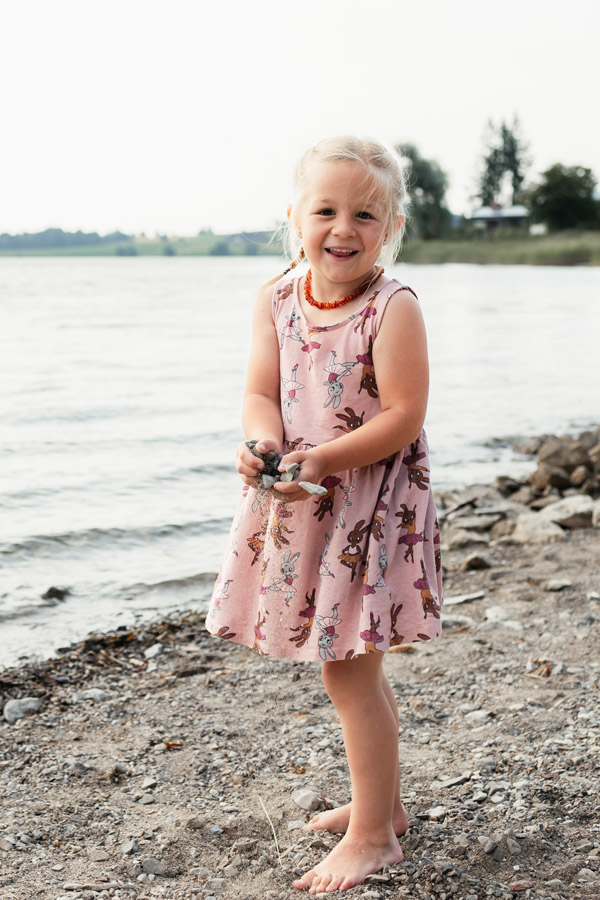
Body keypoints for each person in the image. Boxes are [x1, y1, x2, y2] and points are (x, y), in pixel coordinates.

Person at [206, 136, 443, 893]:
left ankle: (374, 834)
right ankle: (387, 808)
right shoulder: (277, 297)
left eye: (364, 215)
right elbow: (259, 393)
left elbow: (404, 416)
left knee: (348, 671)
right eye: (326, 210)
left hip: (367, 511)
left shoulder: (392, 306)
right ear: (295, 217)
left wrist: (324, 460)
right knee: (349, 669)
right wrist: (261, 442)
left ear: (391, 226)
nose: (343, 228)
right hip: (304, 501)